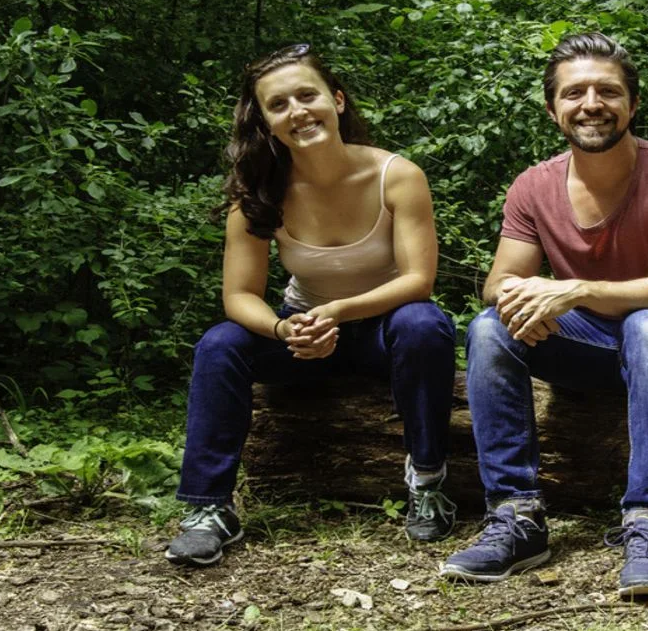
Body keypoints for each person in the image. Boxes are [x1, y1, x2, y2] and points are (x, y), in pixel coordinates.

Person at [439, 33, 648, 596]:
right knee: (491, 327)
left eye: (608, 91)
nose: (591, 104)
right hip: (594, 345)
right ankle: (516, 517)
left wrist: (572, 290)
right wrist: (524, 300)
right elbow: (498, 284)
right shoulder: (533, 186)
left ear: (633, 104)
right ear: (553, 110)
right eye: (574, 93)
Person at [165, 44, 458, 567]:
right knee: (220, 344)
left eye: (308, 96)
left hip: (383, 333)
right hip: (303, 336)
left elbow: (418, 281)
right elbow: (239, 296)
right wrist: (285, 331)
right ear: (267, 123)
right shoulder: (259, 192)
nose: (297, 112)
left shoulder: (397, 176)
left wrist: (338, 312)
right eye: (279, 105)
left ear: (337, 100)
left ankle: (428, 481)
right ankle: (208, 508)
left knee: (424, 323)